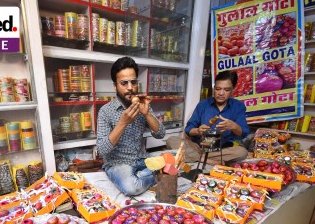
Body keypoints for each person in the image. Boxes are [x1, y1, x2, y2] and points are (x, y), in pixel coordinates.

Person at [97, 57, 166, 196]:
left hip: (142, 159)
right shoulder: (105, 111)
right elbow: (102, 150)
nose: (130, 87)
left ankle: (145, 174)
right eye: (124, 83)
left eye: (133, 82)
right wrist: (122, 123)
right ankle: (157, 174)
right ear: (115, 86)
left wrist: (146, 114)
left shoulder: (141, 104)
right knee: (131, 187)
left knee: (175, 157)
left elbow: (161, 134)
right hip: (118, 163)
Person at [168, 70, 249, 165]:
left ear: (233, 90)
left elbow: (243, 133)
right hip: (199, 147)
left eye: (226, 90)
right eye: (218, 89)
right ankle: (206, 160)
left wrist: (234, 126)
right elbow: (188, 129)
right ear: (214, 88)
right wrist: (198, 131)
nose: (221, 93)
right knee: (171, 140)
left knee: (242, 152)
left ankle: (198, 157)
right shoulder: (203, 105)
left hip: (222, 150)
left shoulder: (238, 106)